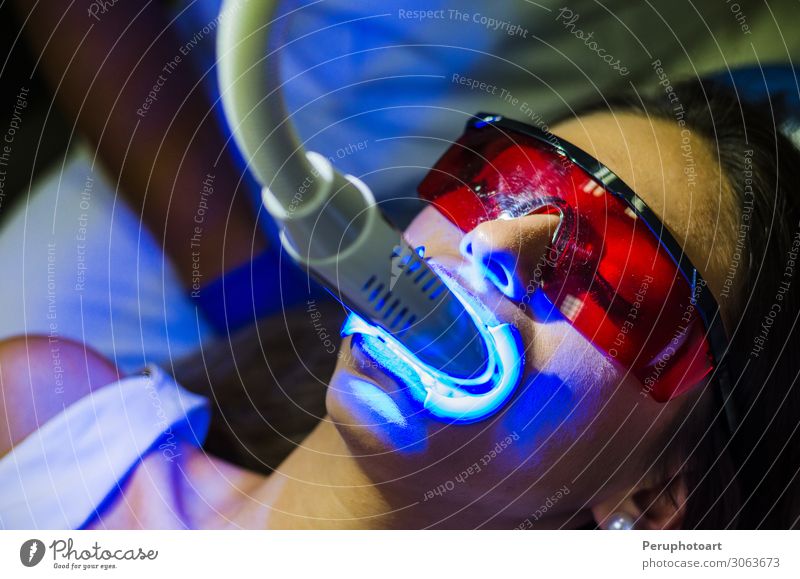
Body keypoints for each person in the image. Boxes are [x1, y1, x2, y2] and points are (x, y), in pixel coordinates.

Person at [2, 78, 799, 529]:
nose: (493, 246)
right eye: (503, 180)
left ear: (652, 496)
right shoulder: (44, 417)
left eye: (616, 285)